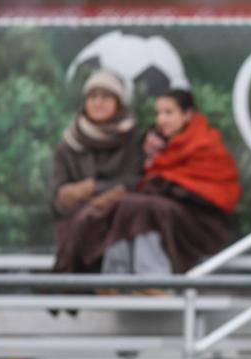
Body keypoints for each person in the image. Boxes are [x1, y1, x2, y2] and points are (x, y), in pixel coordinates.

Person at [99, 89, 240, 276]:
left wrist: (164, 183)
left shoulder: (206, 142)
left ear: (187, 114)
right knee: (130, 204)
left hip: (202, 222)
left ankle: (152, 277)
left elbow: (215, 190)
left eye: (168, 112)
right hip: (169, 214)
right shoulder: (158, 145)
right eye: (158, 113)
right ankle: (115, 276)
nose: (161, 120)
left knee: (146, 208)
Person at [51, 70, 143, 274]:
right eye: (93, 96)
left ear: (118, 102)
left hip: (119, 225)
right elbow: (59, 193)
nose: (98, 103)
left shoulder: (132, 139)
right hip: (75, 222)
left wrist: (93, 189)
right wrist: (81, 196)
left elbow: (132, 181)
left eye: (105, 96)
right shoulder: (68, 143)